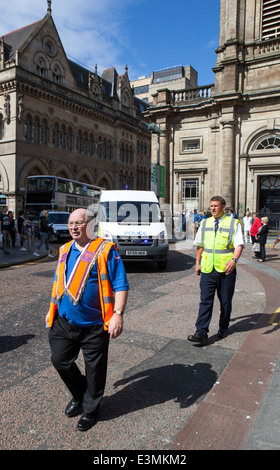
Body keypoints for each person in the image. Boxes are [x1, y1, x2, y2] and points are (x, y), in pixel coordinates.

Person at [45, 208, 129, 432]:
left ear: (90, 225)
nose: (73, 227)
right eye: (71, 222)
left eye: (79, 223)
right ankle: (81, 395)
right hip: (64, 321)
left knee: (94, 370)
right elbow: (58, 283)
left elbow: (120, 284)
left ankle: (90, 409)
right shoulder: (64, 249)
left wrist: (118, 315)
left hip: (95, 325)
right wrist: (51, 308)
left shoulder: (105, 250)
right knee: (60, 360)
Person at [188, 196, 244, 345]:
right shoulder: (205, 223)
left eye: (216, 206)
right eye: (211, 206)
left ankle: (223, 327)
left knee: (225, 301)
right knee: (205, 301)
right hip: (208, 269)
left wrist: (234, 260)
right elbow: (200, 245)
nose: (213, 208)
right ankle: (201, 332)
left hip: (226, 269)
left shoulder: (233, 223)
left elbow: (239, 244)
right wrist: (197, 263)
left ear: (223, 207)